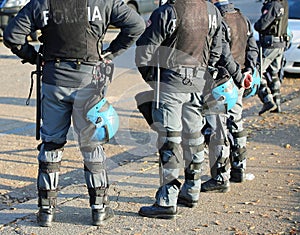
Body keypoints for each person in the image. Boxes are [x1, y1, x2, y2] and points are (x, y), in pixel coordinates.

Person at [3, 0, 145, 227]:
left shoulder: (43, 2)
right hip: (89, 82)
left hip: (54, 79)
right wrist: (110, 52)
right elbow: (136, 25)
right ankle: (99, 209)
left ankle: (46, 211)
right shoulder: (104, 1)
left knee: (51, 144)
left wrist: (34, 57)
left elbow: (12, 35)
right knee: (91, 144)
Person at [135, 0, 224, 219]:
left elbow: (144, 51)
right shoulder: (212, 11)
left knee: (170, 142)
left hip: (171, 84)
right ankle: (191, 191)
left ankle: (167, 200)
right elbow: (217, 50)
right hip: (198, 83)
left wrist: (154, 80)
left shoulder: (167, 12)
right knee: (194, 139)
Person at [201, 0, 259, 193]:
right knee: (237, 123)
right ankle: (239, 167)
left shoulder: (217, 18)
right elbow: (252, 47)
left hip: (223, 81)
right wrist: (249, 72)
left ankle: (220, 177)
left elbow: (223, 53)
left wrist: (239, 76)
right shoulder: (242, 17)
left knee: (218, 128)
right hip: (240, 79)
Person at [254, 0, 289, 115]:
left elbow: (261, 25)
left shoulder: (274, 5)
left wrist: (257, 24)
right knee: (273, 74)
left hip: (270, 44)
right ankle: (277, 103)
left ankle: (267, 100)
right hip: (280, 44)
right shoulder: (284, 3)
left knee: (258, 71)